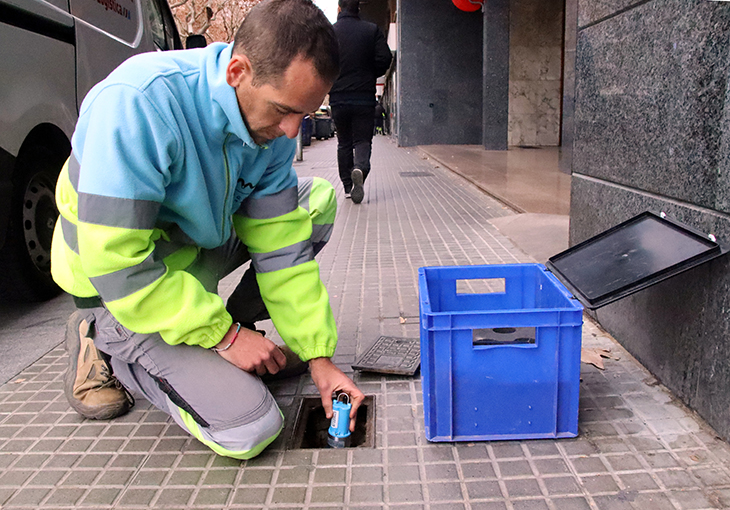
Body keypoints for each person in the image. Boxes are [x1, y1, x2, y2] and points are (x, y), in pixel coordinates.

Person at [51, 0, 364, 460]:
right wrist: (223, 337)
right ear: (237, 71)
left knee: (314, 202)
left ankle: (221, 333)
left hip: (193, 252)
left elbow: (282, 249)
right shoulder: (136, 104)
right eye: (282, 110)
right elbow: (118, 265)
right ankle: (102, 341)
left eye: (304, 112)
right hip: (118, 285)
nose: (291, 131)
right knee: (249, 429)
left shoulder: (271, 127)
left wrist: (319, 358)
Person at [329, 0, 392, 204]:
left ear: (339, 8)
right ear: (358, 9)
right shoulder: (371, 30)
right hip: (364, 97)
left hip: (338, 96)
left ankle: (348, 186)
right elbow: (384, 59)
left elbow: (321, 63)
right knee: (363, 140)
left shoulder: (329, 33)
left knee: (344, 142)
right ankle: (360, 169)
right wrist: (369, 73)